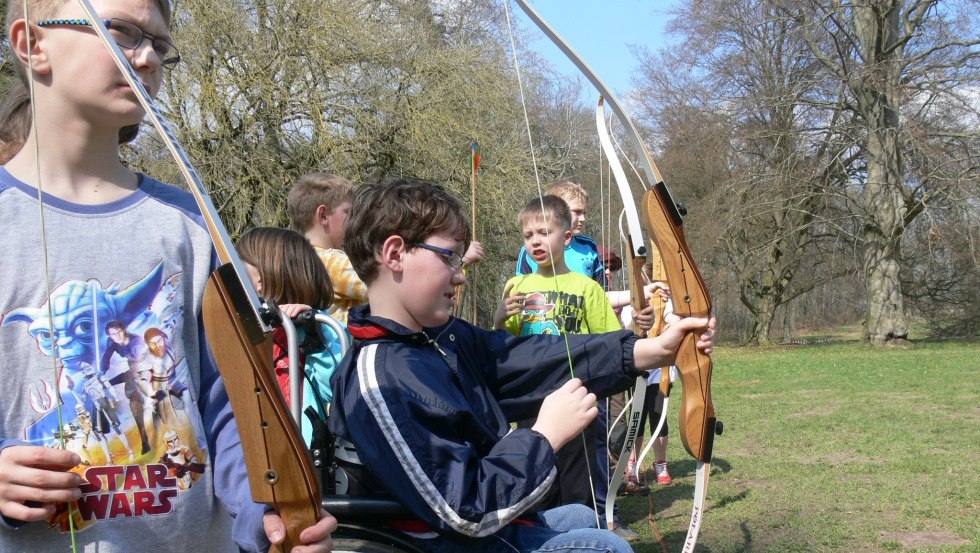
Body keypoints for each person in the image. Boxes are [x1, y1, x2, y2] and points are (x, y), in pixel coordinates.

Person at [0, 1, 334, 550]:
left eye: (160, 44)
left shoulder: (190, 223)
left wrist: (267, 519)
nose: (148, 57)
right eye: (124, 33)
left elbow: (228, 406)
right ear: (32, 44)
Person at [329, 178, 715, 552]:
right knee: (604, 547)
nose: (460, 275)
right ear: (395, 254)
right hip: (445, 541)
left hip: (472, 532)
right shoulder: (382, 380)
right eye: (449, 257)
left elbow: (528, 358)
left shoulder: (440, 338)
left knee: (581, 515)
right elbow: (465, 512)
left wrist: (648, 350)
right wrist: (544, 437)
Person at [493, 195, 621, 516]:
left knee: (579, 481)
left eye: (544, 232)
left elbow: (610, 342)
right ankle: (542, 534)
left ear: (566, 237)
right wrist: (499, 319)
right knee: (538, 475)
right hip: (531, 397)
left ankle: (582, 532)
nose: (535, 241)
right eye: (528, 235)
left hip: (575, 396)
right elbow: (502, 345)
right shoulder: (516, 285)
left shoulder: (587, 288)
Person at [235, 226, 344, 446]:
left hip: (302, 446)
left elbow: (333, 388)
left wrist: (312, 332)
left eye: (240, 266)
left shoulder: (321, 326)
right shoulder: (254, 330)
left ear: (260, 281)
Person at [287, 173, 368, 325]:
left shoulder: (295, 263)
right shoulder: (332, 262)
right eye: (349, 212)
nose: (355, 220)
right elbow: (385, 287)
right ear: (323, 215)